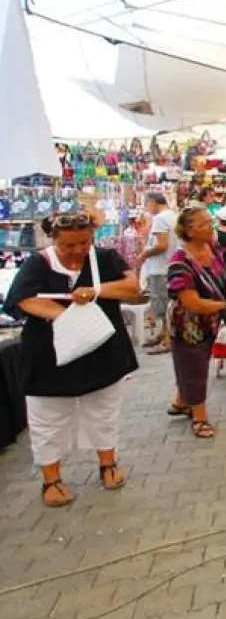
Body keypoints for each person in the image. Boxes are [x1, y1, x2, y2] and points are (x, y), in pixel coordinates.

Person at [1, 213, 141, 506]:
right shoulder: (38, 263)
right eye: (69, 245)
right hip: (48, 357)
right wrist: (68, 317)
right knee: (48, 416)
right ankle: (51, 479)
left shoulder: (104, 258)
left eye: (84, 242)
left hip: (101, 352)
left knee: (103, 409)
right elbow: (22, 299)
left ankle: (108, 463)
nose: (78, 250)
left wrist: (96, 292)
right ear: (54, 240)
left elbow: (131, 287)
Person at [166, 206, 226, 439]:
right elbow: (193, 303)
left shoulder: (212, 248)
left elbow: (222, 278)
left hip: (209, 321)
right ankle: (200, 417)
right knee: (194, 369)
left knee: (192, 366)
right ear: (189, 230)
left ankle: (181, 402)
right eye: (205, 224)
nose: (212, 227)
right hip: (188, 325)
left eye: (210, 222)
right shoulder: (179, 262)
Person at [135, 193, 178, 355]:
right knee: (167, 303)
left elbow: (162, 245)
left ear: (152, 202)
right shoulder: (173, 216)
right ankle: (163, 333)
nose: (147, 209)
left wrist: (144, 254)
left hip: (161, 268)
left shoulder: (160, 219)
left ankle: (167, 338)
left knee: (162, 304)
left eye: (147, 205)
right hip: (169, 266)